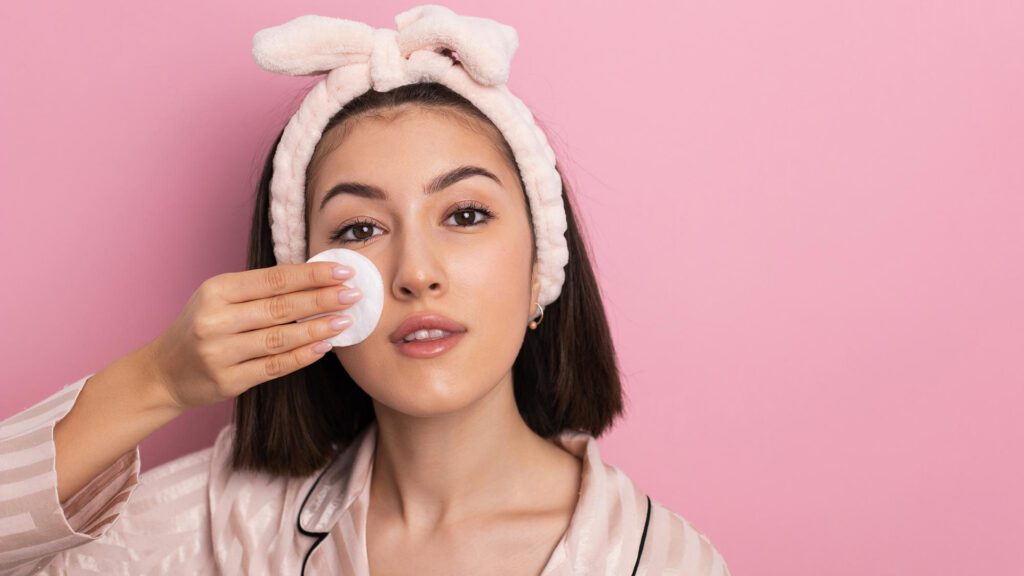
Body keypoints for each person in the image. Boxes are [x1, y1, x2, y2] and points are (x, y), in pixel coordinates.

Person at [0, 5, 730, 575]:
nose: (416, 271)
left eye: (466, 214)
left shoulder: (661, 562)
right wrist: (155, 380)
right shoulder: (226, 524)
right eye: (358, 230)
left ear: (542, 261)